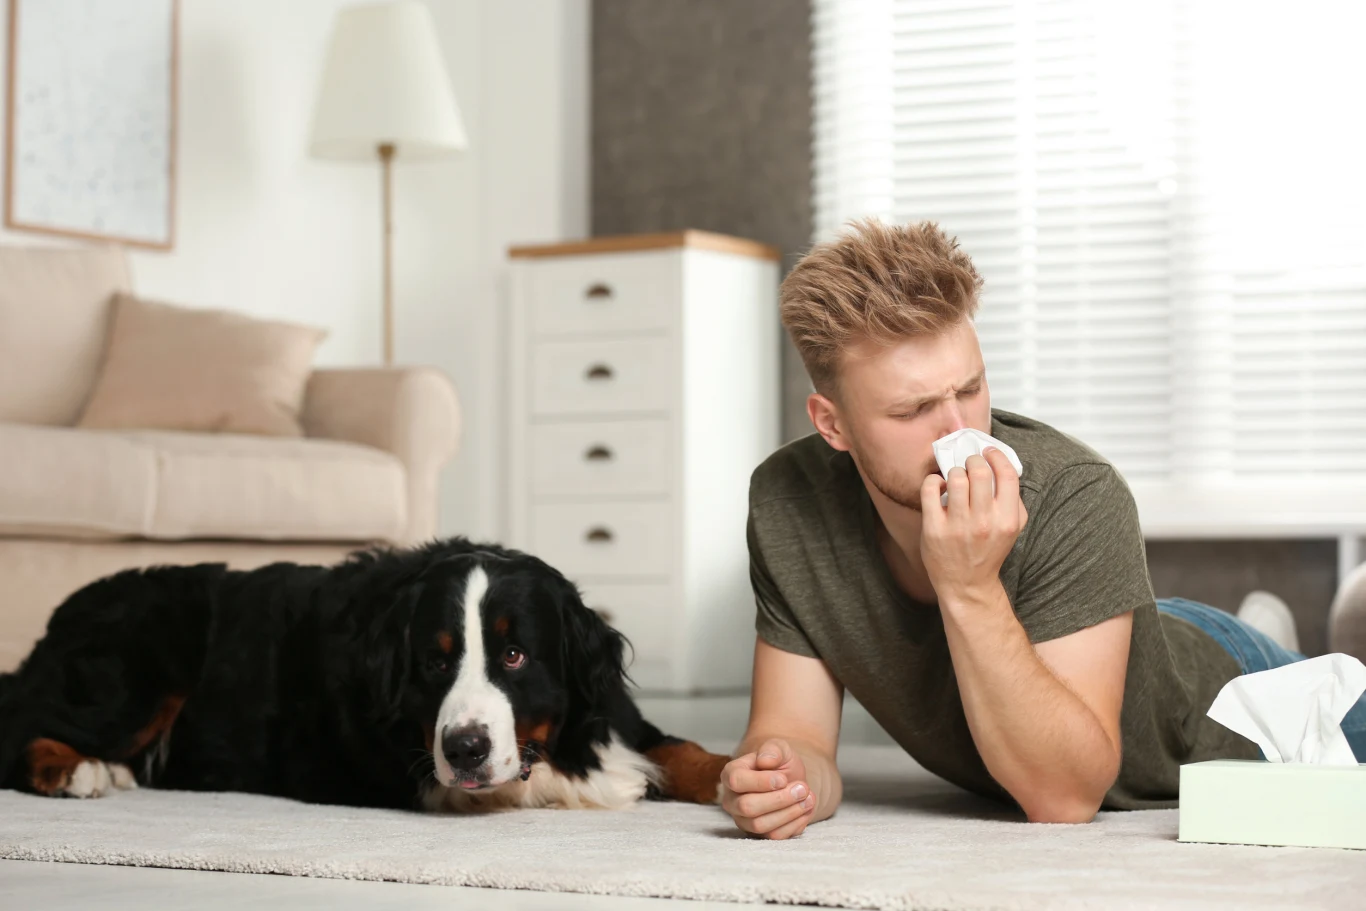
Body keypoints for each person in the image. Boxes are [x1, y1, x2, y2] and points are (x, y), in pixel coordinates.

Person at [719, 219, 1366, 840]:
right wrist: (782, 781)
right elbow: (796, 736)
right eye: (914, 408)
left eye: (971, 389)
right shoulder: (788, 503)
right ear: (831, 424)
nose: (960, 431)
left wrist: (970, 587)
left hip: (1228, 693)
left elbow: (1063, 798)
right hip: (1109, 627)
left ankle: (1269, 641)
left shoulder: (1076, 491)